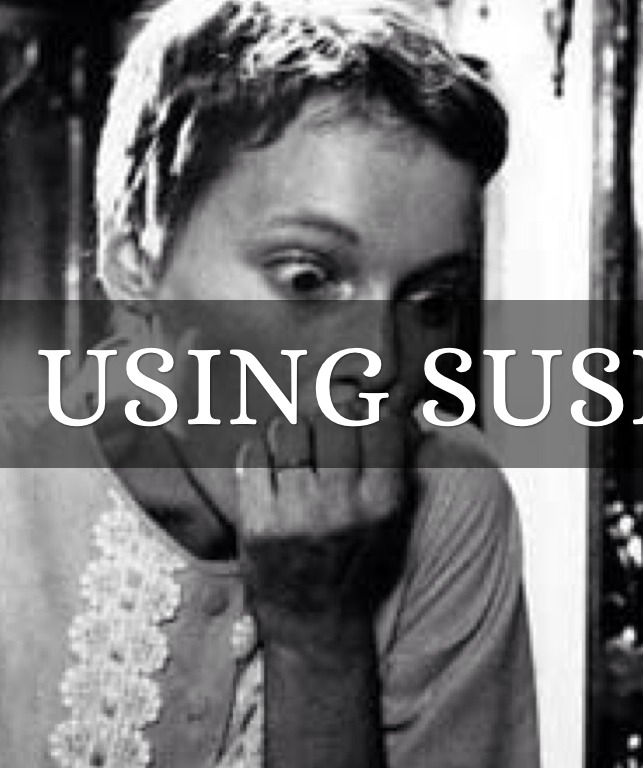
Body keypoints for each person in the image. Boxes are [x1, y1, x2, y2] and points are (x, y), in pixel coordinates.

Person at [0, 1, 539, 766]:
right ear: (134, 261)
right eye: (309, 277)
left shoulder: (451, 506)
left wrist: (320, 638)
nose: (380, 362)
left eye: (431, 301)